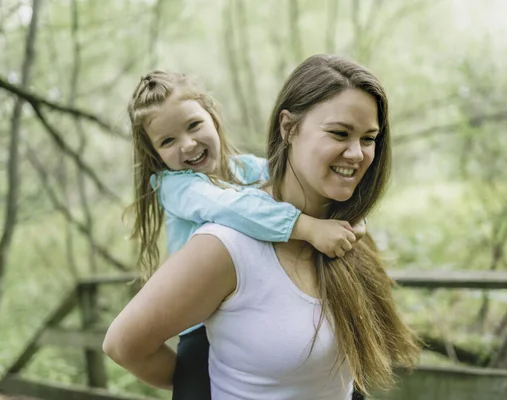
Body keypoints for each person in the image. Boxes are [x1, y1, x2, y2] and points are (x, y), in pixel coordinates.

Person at [104, 54, 420, 399]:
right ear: (288, 127)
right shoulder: (186, 195)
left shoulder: (247, 172)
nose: (188, 144)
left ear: (213, 117)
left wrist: (353, 220)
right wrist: (307, 227)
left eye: (369, 138)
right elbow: (230, 205)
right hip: (195, 328)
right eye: (339, 133)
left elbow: (277, 176)